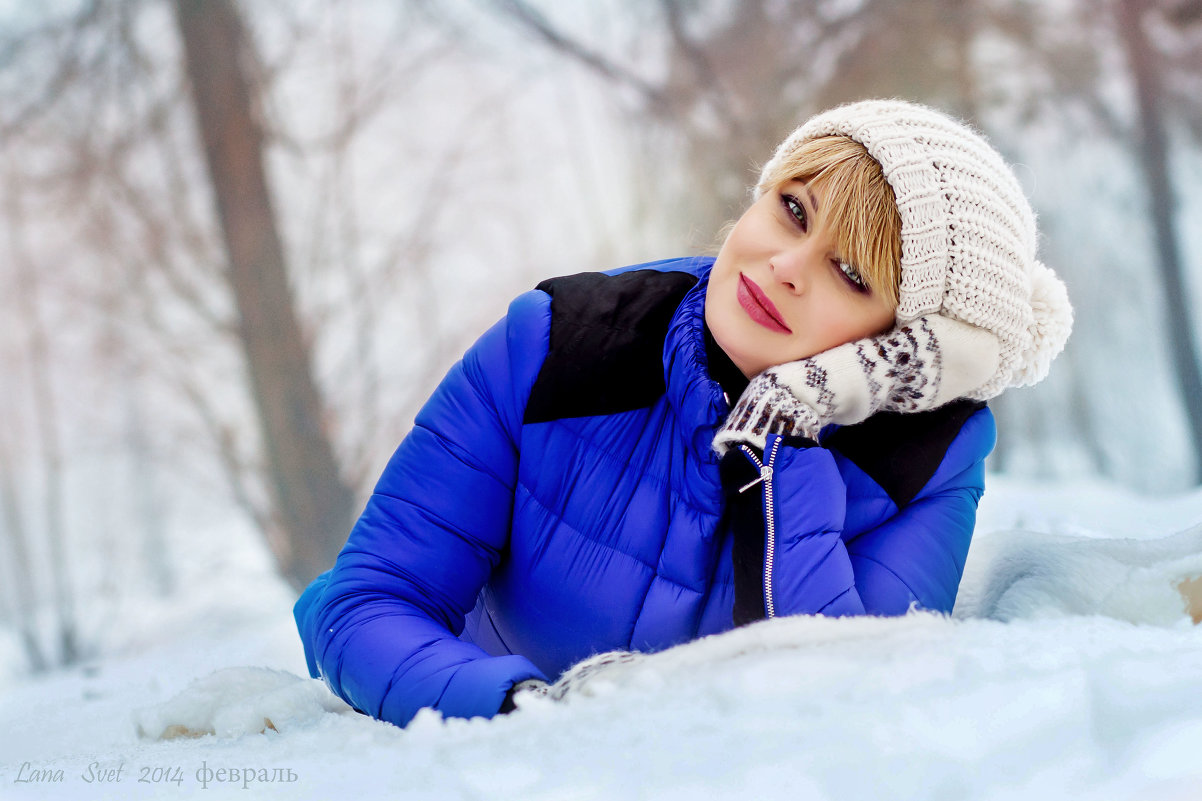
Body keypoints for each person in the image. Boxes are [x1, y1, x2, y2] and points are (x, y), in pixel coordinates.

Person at [294, 99, 1073, 727]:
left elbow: (849, 699)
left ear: (907, 349)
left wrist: (787, 426)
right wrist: (527, 710)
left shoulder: (929, 458)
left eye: (849, 272)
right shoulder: (556, 346)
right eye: (793, 210)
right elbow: (364, 602)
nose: (786, 266)